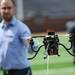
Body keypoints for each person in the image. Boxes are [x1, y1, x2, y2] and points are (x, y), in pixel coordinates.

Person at [0, 0, 32, 75]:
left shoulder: (22, 28)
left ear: (14, 9)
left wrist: (31, 43)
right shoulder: (0, 29)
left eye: (9, 8)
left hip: (21, 72)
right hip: (6, 72)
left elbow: (32, 50)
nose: (6, 11)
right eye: (4, 8)